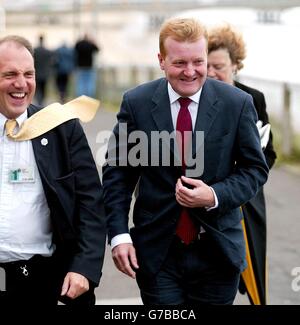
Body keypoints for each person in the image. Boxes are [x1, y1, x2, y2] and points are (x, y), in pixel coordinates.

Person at [102, 18, 269, 305]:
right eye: (179, 63)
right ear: (162, 60)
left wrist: (214, 195)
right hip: (158, 254)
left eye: (198, 62)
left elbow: (255, 170)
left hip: (218, 252)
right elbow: (117, 174)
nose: (190, 72)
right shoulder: (136, 103)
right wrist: (119, 235)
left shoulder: (237, 103)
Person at [0, 35, 106, 306]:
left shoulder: (61, 128)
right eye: (9, 74)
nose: (21, 83)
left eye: (28, 74)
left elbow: (91, 203)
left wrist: (84, 267)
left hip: (43, 273)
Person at [207, 23, 277, 305]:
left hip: (247, 200)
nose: (212, 73)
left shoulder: (253, 99)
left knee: (254, 275)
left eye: (219, 66)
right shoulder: (198, 98)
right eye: (207, 65)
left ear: (236, 65)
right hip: (208, 198)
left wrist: (245, 181)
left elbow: (267, 152)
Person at [74, 33, 99, 98]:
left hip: (80, 66)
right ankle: (89, 96)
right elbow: (97, 49)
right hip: (89, 66)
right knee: (90, 83)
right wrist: (93, 42)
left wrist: (78, 40)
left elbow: (74, 48)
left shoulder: (79, 44)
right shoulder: (90, 44)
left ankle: (80, 96)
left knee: (80, 83)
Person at [33, 34, 53, 106]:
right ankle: (42, 101)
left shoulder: (35, 51)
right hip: (45, 73)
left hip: (37, 72)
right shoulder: (47, 51)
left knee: (37, 88)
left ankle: (39, 100)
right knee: (44, 88)